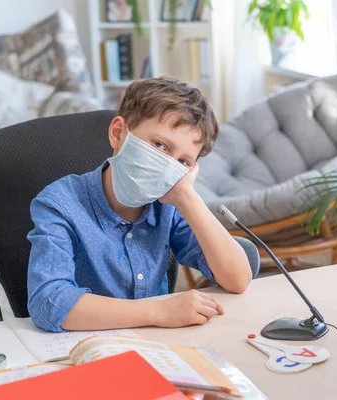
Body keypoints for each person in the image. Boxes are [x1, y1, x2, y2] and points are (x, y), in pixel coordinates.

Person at [27, 77, 253, 333]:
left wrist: (187, 197)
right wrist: (159, 311)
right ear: (118, 133)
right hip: (87, 347)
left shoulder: (171, 202)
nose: (167, 166)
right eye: (159, 145)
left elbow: (237, 279)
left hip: (160, 346)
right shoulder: (60, 203)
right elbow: (49, 303)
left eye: (183, 162)